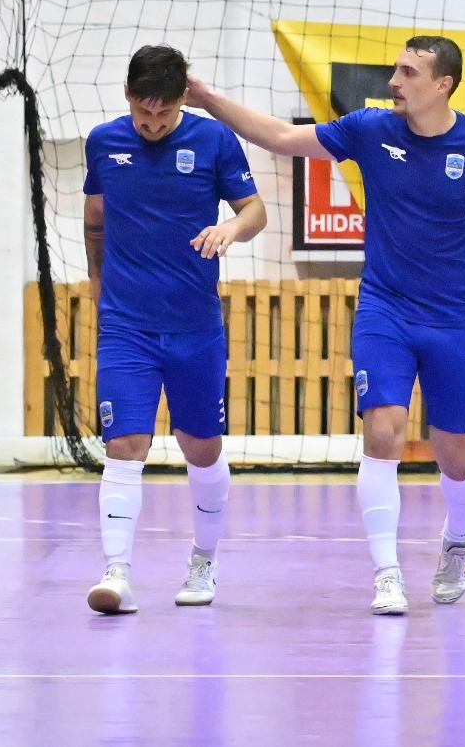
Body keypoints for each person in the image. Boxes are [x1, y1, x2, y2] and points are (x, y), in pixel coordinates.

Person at [186, 35, 465, 614]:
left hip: (456, 317)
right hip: (386, 309)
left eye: (408, 73)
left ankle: (457, 542)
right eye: (395, 70)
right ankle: (387, 573)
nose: (394, 82)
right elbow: (279, 137)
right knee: (383, 430)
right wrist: (206, 98)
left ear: (443, 84)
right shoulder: (370, 129)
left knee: (455, 453)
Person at [84, 45, 267, 614]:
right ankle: (116, 572)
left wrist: (230, 228)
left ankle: (204, 559)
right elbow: (95, 221)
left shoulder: (213, 139)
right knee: (125, 444)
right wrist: (98, 286)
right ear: (128, 96)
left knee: (201, 448)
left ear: (182, 98)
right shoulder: (104, 142)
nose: (153, 123)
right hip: (126, 326)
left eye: (163, 113)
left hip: (194, 326)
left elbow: (256, 211)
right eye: (143, 111)